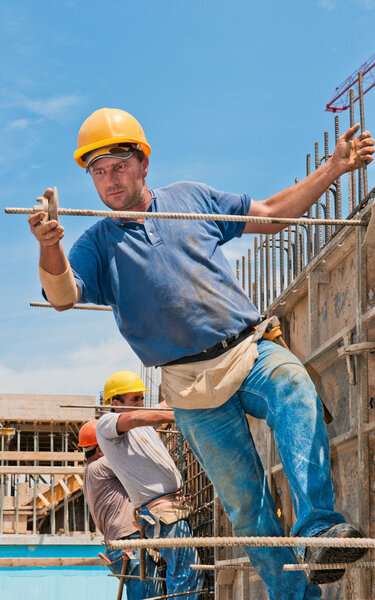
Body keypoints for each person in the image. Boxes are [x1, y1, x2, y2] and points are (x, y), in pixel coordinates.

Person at [28, 108, 374, 600]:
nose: (110, 179)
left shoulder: (190, 199)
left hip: (248, 351)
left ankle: (319, 530)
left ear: (143, 163)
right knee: (246, 507)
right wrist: (49, 247)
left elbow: (272, 215)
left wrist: (334, 167)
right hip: (190, 387)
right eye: (98, 172)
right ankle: (296, 597)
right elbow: (63, 295)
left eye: (119, 165)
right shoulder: (97, 244)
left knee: (294, 387)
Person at [95, 370, 204, 600]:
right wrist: (179, 415)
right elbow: (136, 418)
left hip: (170, 509)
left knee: (184, 572)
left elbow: (160, 408)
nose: (142, 404)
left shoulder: (140, 426)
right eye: (135, 399)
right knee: (186, 573)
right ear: (116, 404)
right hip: (161, 512)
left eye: (142, 399)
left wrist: (190, 387)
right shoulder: (107, 424)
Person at [78, 419, 164, 600]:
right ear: (101, 450)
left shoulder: (90, 471)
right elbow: (138, 458)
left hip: (120, 546)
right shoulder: (102, 465)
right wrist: (156, 430)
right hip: (128, 543)